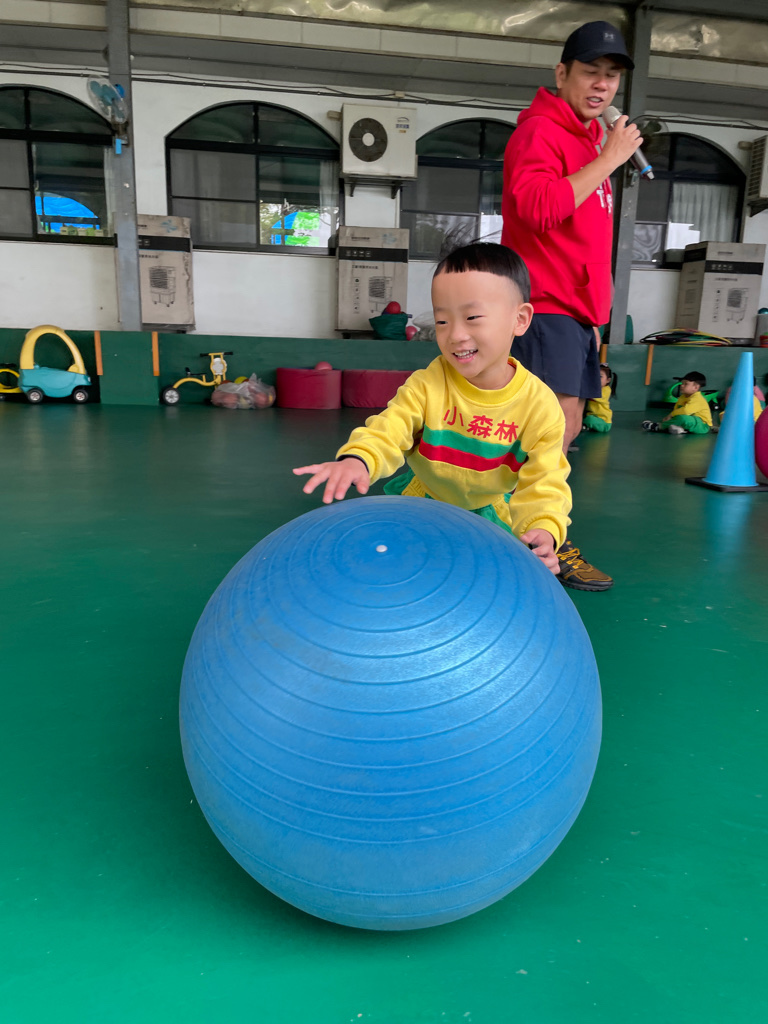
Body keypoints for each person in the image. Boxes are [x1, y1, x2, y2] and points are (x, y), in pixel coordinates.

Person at [294, 243, 571, 577]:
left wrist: (543, 529)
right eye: (442, 320)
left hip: (489, 511)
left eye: (472, 317)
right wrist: (359, 459)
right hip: (420, 501)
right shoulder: (428, 385)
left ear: (520, 319)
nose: (455, 335)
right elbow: (390, 428)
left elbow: (545, 481)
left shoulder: (540, 407)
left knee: (479, 580)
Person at [501, 20, 643, 591]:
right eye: (590, 72)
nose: (602, 85)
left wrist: (595, 319)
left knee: (565, 430)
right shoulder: (541, 132)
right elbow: (536, 209)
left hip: (577, 313)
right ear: (562, 74)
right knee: (545, 436)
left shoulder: (589, 142)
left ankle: (536, 540)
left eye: (611, 76)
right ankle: (529, 546)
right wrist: (610, 159)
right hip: (546, 305)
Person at [642, 371, 712, 434]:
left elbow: (686, 411)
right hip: (690, 422)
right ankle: (679, 429)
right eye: (682, 383)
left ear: (696, 388)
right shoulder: (682, 397)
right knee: (678, 418)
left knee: (683, 418)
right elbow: (677, 409)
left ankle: (659, 427)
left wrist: (671, 415)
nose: (681, 385)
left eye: (686, 384)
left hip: (702, 426)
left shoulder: (697, 399)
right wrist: (669, 418)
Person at [582, 362, 615, 433]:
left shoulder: (606, 390)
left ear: (608, 380)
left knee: (589, 419)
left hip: (604, 422)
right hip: (594, 417)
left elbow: (594, 395)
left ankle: (585, 426)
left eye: (600, 377)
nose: (596, 379)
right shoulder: (593, 389)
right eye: (594, 376)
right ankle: (586, 425)